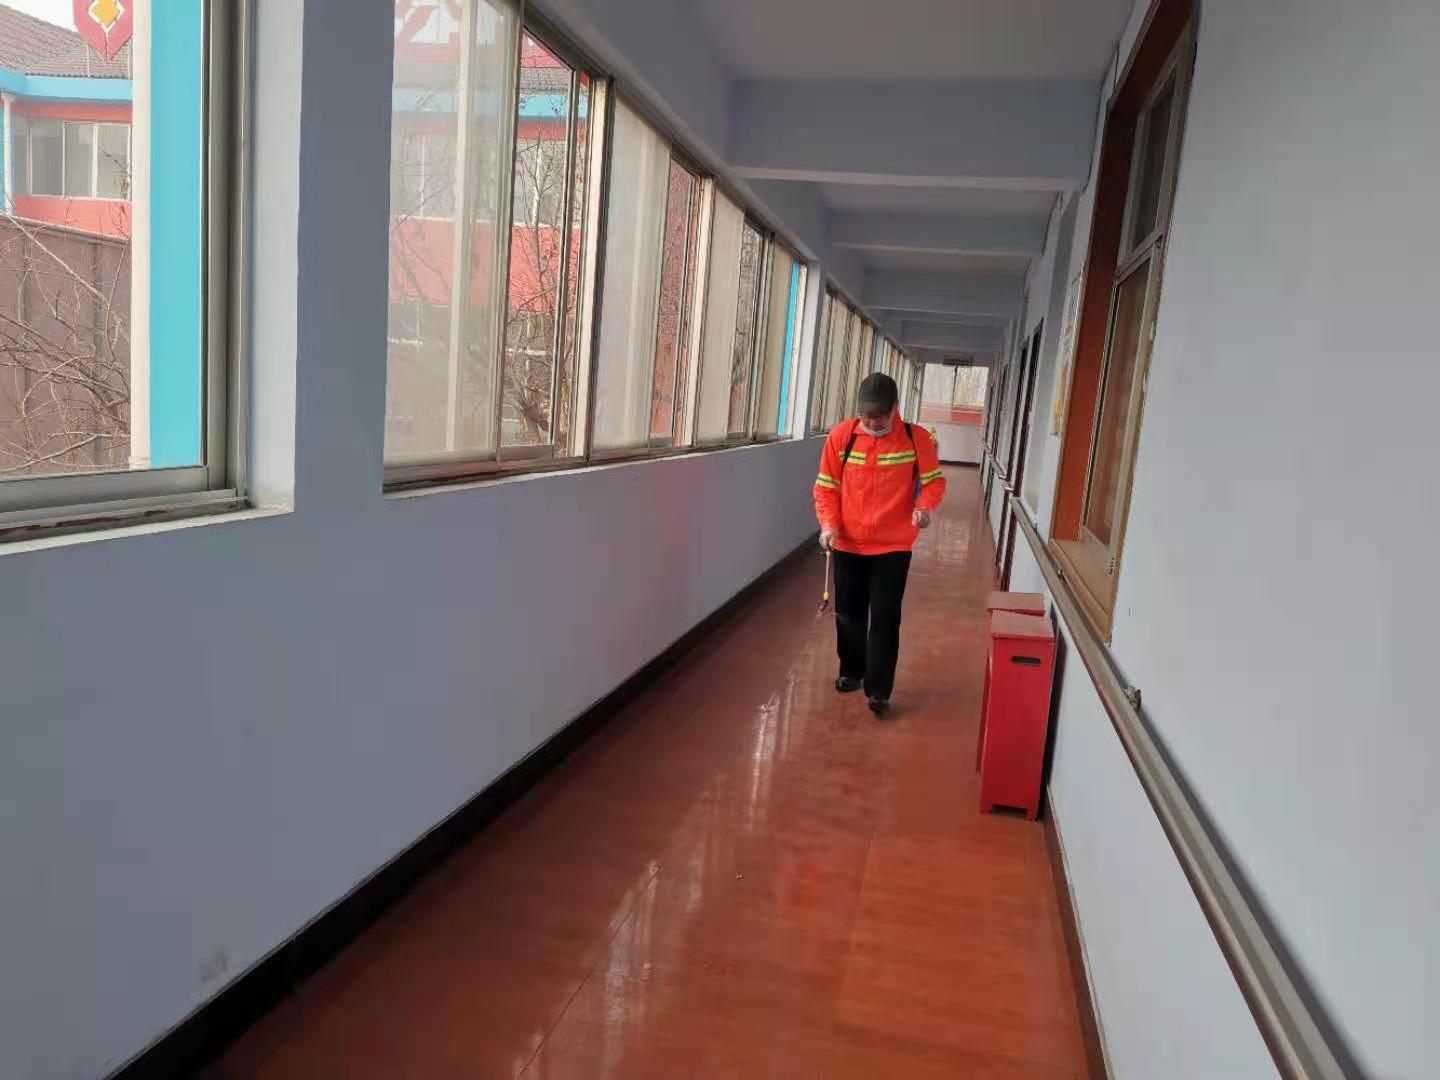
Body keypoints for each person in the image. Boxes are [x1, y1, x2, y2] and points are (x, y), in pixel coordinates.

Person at [814, 372, 947, 716]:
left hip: (893, 546)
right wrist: (828, 525)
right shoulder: (842, 437)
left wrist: (924, 508)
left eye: (880, 417)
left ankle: (879, 690)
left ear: (895, 409)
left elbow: (934, 482)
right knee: (849, 614)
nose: (873, 424)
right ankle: (851, 671)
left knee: (886, 619)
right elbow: (826, 487)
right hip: (848, 545)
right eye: (867, 417)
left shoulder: (915, 439)